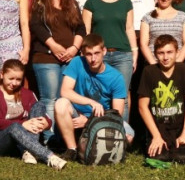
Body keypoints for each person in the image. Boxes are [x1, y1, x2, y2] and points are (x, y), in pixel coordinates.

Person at [55, 34, 134, 162]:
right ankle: (72, 150)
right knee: (60, 103)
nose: (93, 59)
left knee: (130, 135)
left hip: (102, 118)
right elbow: (65, 91)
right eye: (89, 54)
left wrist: (88, 121)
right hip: (77, 114)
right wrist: (91, 102)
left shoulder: (116, 77)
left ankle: (90, 143)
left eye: (97, 53)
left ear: (104, 51)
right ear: (83, 54)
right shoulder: (77, 62)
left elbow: (117, 114)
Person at [30, 0, 85, 139]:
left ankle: (64, 137)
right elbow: (36, 26)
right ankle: (49, 138)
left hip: (69, 59)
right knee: (50, 99)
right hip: (46, 58)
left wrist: (74, 48)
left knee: (66, 99)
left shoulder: (71, 2)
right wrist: (54, 46)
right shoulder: (39, 2)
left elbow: (81, 28)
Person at [0, 59, 67, 170]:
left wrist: (46, 123)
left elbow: (46, 118)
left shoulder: (28, 94)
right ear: (2, 74)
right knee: (14, 126)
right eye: (11, 79)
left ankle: (29, 152)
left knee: (39, 105)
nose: (14, 83)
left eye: (18, 79)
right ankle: (50, 157)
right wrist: (23, 124)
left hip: (23, 140)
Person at [82, 0, 139, 118]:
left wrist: (134, 52)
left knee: (122, 97)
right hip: (99, 55)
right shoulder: (91, 3)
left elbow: (129, 28)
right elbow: (86, 32)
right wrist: (85, 53)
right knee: (98, 94)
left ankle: (122, 130)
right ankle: (101, 128)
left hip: (123, 55)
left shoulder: (125, 2)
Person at [138, 35, 185, 164]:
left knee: (183, 159)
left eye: (169, 52)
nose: (165, 57)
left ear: (177, 52)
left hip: (179, 127)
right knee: (159, 158)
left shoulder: (184, 69)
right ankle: (152, 140)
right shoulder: (149, 71)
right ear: (155, 54)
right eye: (161, 53)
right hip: (158, 127)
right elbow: (142, 106)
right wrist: (156, 136)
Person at [140, 0, 185, 64]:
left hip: (176, 65)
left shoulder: (183, 17)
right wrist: (154, 65)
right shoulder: (147, 17)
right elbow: (143, 44)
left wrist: (177, 63)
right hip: (154, 64)